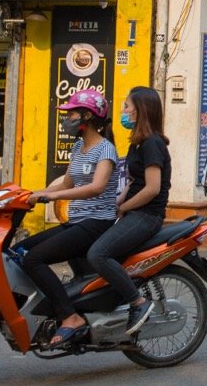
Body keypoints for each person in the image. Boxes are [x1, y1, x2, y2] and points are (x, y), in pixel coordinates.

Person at [16, 90, 119, 347]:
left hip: (97, 222)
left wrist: (54, 197)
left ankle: (70, 316)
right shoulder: (78, 146)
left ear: (87, 116)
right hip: (78, 221)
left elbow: (96, 187)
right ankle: (44, 306)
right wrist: (33, 193)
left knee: (34, 259)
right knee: (18, 251)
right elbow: (67, 182)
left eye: (71, 113)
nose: (67, 118)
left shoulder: (105, 150)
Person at [86, 86, 172, 336]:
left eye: (126, 106)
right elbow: (137, 181)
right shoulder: (138, 142)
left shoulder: (153, 144)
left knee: (98, 254)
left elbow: (153, 188)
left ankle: (138, 302)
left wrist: (124, 206)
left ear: (141, 111)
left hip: (148, 216)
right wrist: (118, 202)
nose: (123, 111)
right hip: (134, 211)